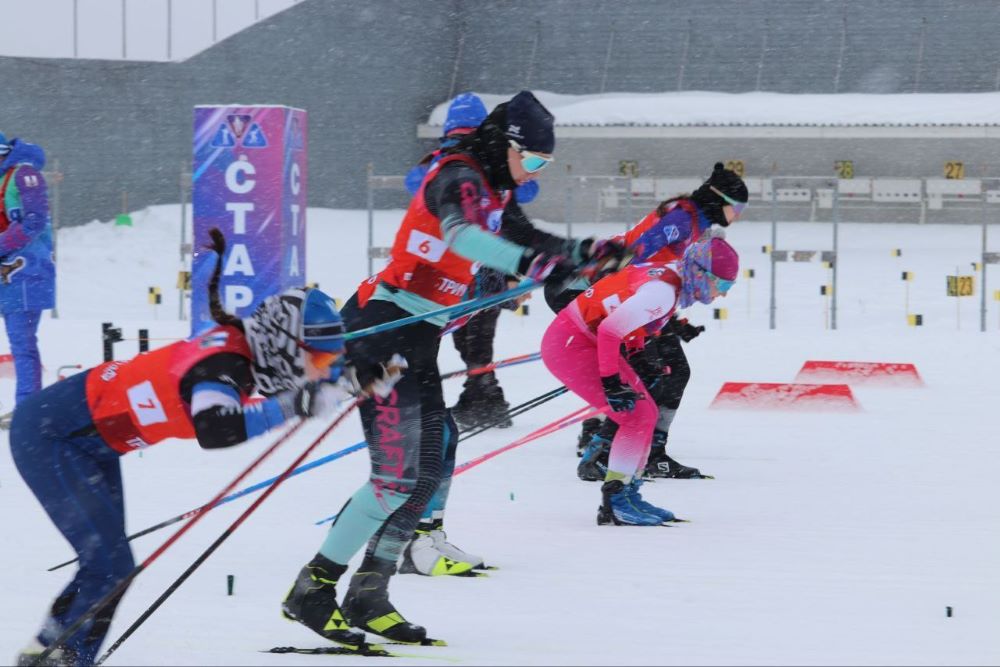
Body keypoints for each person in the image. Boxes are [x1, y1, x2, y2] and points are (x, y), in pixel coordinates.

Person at [282, 90, 626, 646]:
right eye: (534, 160)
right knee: (395, 476)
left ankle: (371, 590)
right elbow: (461, 235)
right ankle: (314, 589)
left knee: (435, 454)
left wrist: (585, 251)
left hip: (417, 336)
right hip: (382, 331)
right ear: (509, 145)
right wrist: (534, 263)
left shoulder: (492, 188)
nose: (534, 172)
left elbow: (527, 237)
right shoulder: (458, 175)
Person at [11, 230, 404, 667]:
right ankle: (58, 657)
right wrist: (298, 404)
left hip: (91, 445)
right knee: (109, 563)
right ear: (284, 344)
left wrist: (354, 377)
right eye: (317, 361)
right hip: (51, 436)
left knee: (109, 565)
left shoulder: (249, 348)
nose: (319, 371)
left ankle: (55, 655)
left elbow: (302, 378)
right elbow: (217, 429)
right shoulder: (223, 368)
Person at [553, 162, 748, 481]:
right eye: (737, 208)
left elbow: (670, 276)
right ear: (719, 200)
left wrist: (673, 321)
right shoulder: (683, 219)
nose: (739, 215)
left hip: (644, 298)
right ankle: (608, 450)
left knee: (661, 372)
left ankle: (634, 448)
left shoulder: (697, 223)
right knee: (654, 373)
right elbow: (640, 257)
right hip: (618, 295)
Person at [541, 236, 740, 525]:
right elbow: (610, 330)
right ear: (700, 273)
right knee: (635, 416)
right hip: (572, 344)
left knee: (645, 414)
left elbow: (629, 318)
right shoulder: (662, 292)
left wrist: (639, 357)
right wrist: (611, 382)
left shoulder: (671, 281)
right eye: (721, 285)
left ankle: (627, 493)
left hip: (582, 340)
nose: (721, 295)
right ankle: (616, 500)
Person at [405, 92, 537, 431]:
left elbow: (414, 183)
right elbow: (525, 195)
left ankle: (454, 397)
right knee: (478, 335)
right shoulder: (490, 162)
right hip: (487, 263)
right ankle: (482, 396)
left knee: (434, 333)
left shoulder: (438, 161)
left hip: (433, 266)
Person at [0, 132, 55, 414]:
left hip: (27, 273)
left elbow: (34, 221)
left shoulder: (23, 175)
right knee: (19, 341)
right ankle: (28, 406)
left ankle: (28, 408)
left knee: (22, 342)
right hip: (11, 274)